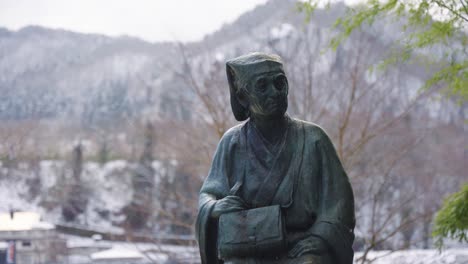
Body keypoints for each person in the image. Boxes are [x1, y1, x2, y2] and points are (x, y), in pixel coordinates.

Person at [196, 52, 355, 264]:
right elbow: (208, 194)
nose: (275, 92)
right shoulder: (232, 142)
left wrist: (319, 237)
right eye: (262, 86)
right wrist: (215, 207)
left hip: (301, 247)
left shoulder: (314, 139)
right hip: (250, 247)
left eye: (280, 83)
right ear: (243, 97)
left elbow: (339, 204)